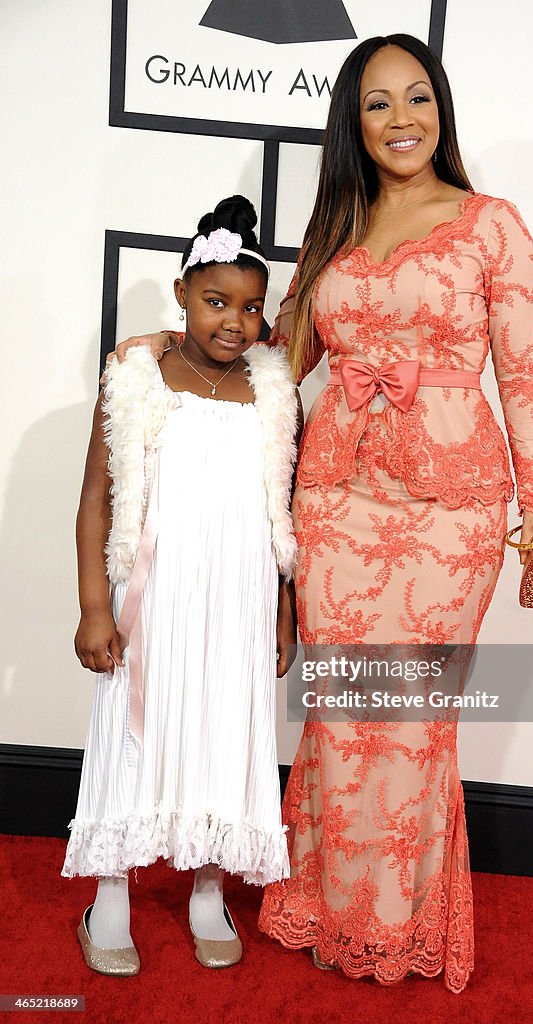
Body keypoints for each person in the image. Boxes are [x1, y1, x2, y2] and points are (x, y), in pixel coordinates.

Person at [116, 34, 533, 992]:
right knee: (341, 715)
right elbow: (277, 352)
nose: (401, 119)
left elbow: (525, 379)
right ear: (353, 125)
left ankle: (402, 927)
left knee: (410, 718)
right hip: (337, 502)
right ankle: (323, 907)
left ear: (440, 108)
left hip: (451, 505)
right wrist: (178, 349)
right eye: (377, 104)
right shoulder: (335, 228)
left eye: (417, 97)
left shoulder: (492, 224)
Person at [62, 195, 301, 977]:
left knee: (222, 734)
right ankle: (111, 896)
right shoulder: (139, 374)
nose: (234, 321)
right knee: (136, 736)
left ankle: (207, 889)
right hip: (153, 599)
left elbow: (280, 511)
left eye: (252, 308)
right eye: (215, 302)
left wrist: (282, 615)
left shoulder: (272, 390)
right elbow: (98, 495)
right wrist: (95, 606)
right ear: (181, 295)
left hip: (236, 599)